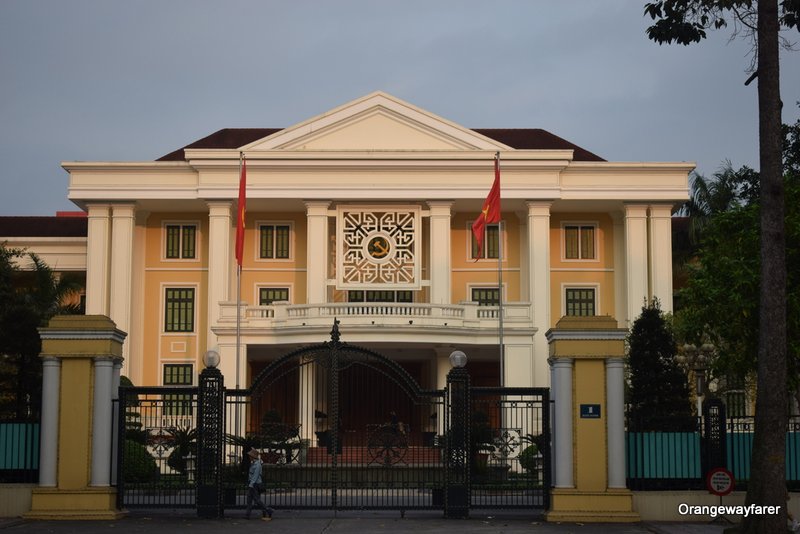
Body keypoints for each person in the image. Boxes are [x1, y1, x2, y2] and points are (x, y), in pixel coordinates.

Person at [245, 448, 274, 521]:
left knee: (257, 501)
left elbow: (256, 475)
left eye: (250, 455)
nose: (249, 457)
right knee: (249, 500)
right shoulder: (253, 463)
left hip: (255, 484)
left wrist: (251, 484)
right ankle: (247, 515)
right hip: (252, 483)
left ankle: (268, 510)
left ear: (253, 456)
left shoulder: (258, 465)